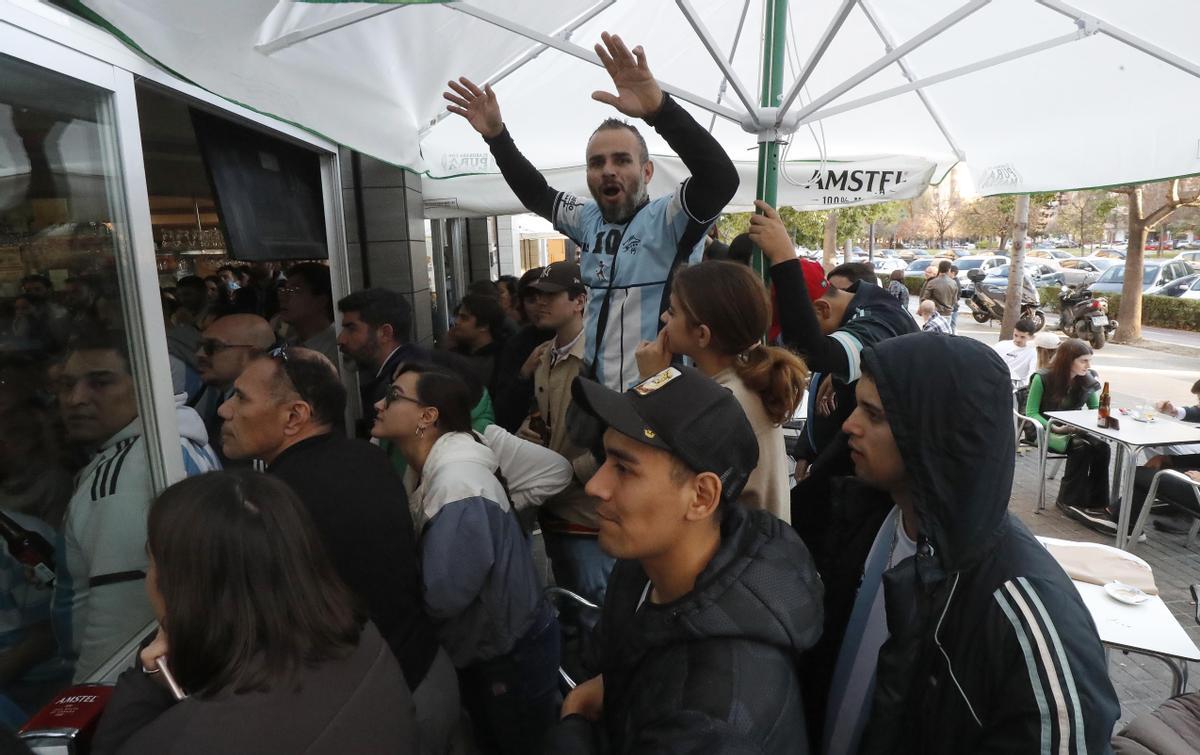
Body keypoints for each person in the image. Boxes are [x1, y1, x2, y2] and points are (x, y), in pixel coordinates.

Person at [810, 332, 1119, 754]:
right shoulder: (868, 518)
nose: (849, 424)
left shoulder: (1026, 615)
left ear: (935, 432)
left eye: (874, 414)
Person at [545, 366, 823, 753]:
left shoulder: (714, 718)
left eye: (623, 468)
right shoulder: (646, 564)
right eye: (605, 460)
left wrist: (573, 721)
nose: (595, 486)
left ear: (701, 497)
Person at [444, 32, 739, 391]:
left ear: (647, 172)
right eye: (597, 163)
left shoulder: (669, 219)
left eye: (622, 160)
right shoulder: (587, 218)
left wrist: (661, 110)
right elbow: (537, 193)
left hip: (656, 397)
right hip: (597, 395)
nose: (608, 170)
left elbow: (720, 179)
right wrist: (497, 137)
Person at [216, 348, 455, 753]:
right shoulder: (367, 457)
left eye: (240, 398)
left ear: (294, 416)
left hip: (374, 713)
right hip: (425, 676)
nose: (224, 410)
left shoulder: (273, 505)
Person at [90, 472, 417, 754]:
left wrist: (148, 681)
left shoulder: (205, 737)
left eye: (151, 560)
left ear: (184, 590)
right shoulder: (360, 637)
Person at [372, 362, 561, 754]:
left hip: (507, 656)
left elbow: (442, 596)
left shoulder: (458, 485)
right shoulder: (434, 471)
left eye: (393, 396)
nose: (378, 404)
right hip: (495, 647)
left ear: (428, 416)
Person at [52, 331, 219, 683]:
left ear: (146, 383)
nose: (75, 399)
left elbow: (119, 629)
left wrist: (87, 708)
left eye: (100, 382)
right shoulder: (171, 444)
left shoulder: (124, 477)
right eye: (67, 385)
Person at [748, 201, 917, 540]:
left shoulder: (881, 319)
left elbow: (813, 351)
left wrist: (784, 257)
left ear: (822, 309)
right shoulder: (860, 312)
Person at [636, 260, 807, 522]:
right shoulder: (742, 380)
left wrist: (651, 380)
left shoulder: (723, 403)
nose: (664, 319)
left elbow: (652, 465)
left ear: (702, 335)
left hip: (733, 554)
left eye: (672, 312)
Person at [515, 261, 614, 609]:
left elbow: (615, 436)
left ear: (579, 301)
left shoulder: (599, 358)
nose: (538, 303)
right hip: (553, 507)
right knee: (571, 605)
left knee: (593, 608)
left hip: (589, 513)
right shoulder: (545, 356)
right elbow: (544, 422)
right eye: (533, 296)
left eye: (550, 295)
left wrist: (572, 475)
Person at [1025, 338, 1112, 531]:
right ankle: (1068, 500)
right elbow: (1031, 413)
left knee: (1102, 447)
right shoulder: (1042, 377)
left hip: (1073, 429)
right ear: (1067, 360)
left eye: (1089, 360)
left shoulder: (1086, 379)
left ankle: (1097, 501)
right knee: (1080, 447)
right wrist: (1055, 428)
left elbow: (1096, 409)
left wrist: (1108, 417)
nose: (1088, 366)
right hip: (1043, 429)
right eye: (1083, 361)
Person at [336, 288, 427, 438]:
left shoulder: (402, 384)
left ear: (385, 333)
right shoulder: (406, 367)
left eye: (351, 329)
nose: (341, 339)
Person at [191, 314, 275, 465]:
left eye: (213, 347)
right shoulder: (214, 394)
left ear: (253, 354)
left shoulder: (264, 414)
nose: (200, 354)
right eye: (199, 346)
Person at [492, 267, 555, 432]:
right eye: (532, 300)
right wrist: (524, 373)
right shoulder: (516, 345)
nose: (541, 305)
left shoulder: (586, 342)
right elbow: (502, 409)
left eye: (548, 297)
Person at [448, 293, 506, 396]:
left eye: (464, 318)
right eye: (458, 316)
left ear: (483, 325)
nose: (457, 322)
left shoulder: (503, 360)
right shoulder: (454, 354)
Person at [281, 262, 338, 366]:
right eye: (284, 290)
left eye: (294, 290)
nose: (284, 297)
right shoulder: (288, 346)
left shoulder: (339, 349)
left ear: (321, 301)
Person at [919, 260, 958, 331]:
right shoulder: (953, 283)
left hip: (935, 313)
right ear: (949, 269)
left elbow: (924, 298)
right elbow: (954, 300)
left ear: (939, 268)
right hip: (948, 313)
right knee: (946, 333)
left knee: (933, 335)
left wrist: (922, 309)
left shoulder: (932, 282)